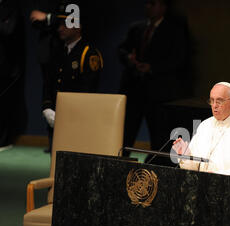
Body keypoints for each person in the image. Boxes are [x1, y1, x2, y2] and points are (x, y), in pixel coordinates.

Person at [118, 0, 188, 158]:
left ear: (163, 7)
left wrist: (152, 67)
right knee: (125, 134)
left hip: (158, 94)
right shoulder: (136, 28)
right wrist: (129, 58)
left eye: (152, 3)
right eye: (147, 3)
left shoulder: (173, 30)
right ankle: (120, 164)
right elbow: (121, 49)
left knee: (158, 136)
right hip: (133, 90)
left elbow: (178, 59)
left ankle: (153, 169)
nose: (148, 7)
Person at [40, 6, 103, 152]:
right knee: (55, 159)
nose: (60, 28)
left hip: (77, 119)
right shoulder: (57, 51)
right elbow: (48, 81)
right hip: (55, 116)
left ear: (78, 26)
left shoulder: (89, 54)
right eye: (60, 24)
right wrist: (47, 107)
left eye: (66, 24)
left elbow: (88, 89)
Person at [0, 0, 27, 149]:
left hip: (7, 68)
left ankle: (4, 141)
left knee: (4, 104)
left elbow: (8, 29)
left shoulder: (12, 7)